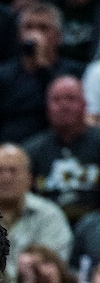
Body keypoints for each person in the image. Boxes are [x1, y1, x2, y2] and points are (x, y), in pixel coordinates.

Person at [0, 0, 85, 146]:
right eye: (28, 27)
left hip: (56, 148)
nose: (34, 34)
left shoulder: (73, 73)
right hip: (10, 151)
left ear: (59, 37)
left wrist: (44, 67)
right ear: (19, 35)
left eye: (43, 28)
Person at [0, 143, 73, 283]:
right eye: (0, 170)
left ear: (29, 178)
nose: (6, 177)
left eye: (13, 170)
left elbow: (56, 268)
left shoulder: (49, 215)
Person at [23, 75, 100, 229]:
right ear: (47, 108)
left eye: (71, 99)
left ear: (84, 104)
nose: (64, 105)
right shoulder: (31, 150)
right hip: (45, 227)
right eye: (57, 100)